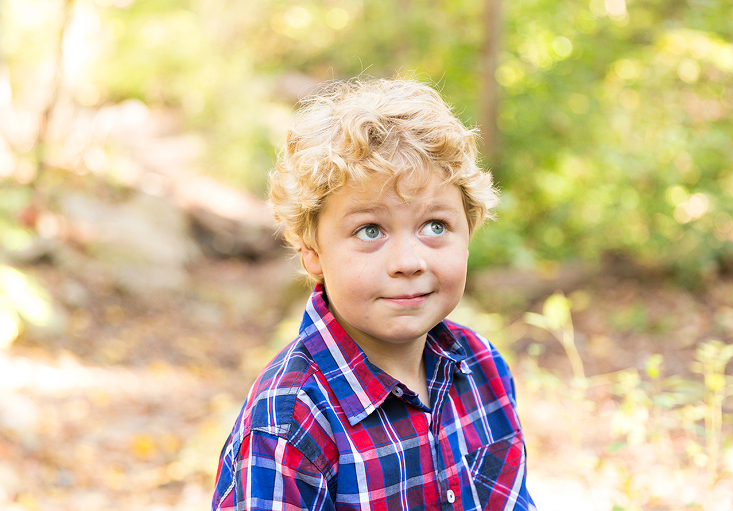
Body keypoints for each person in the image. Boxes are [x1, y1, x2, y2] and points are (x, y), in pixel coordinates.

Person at [211, 77, 537, 510]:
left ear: (469, 232)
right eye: (370, 230)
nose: (409, 261)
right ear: (312, 252)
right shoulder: (289, 424)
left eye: (435, 226)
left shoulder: (482, 370)